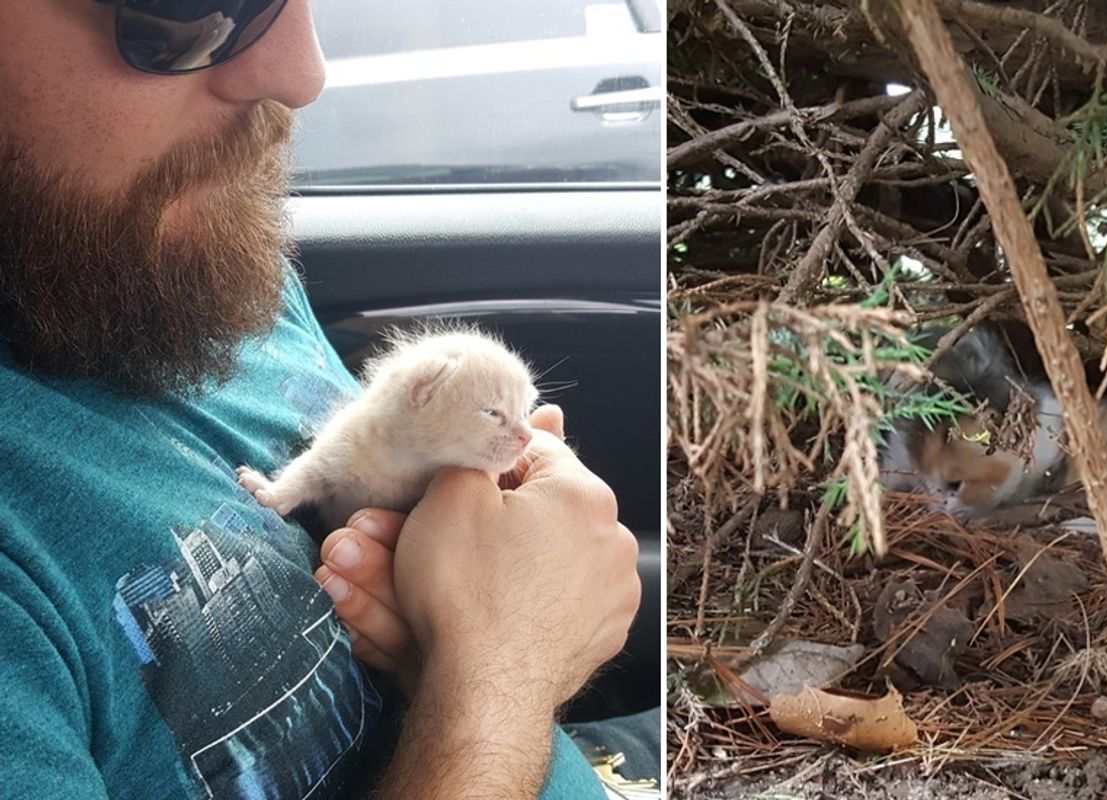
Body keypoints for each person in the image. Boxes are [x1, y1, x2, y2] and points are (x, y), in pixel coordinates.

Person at [0, 1, 648, 797]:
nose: (302, 73)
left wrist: (457, 637)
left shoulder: (174, 258)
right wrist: (505, 668)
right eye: (190, 5)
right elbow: (495, 677)